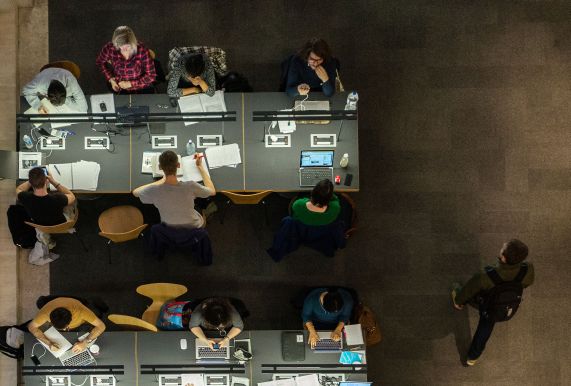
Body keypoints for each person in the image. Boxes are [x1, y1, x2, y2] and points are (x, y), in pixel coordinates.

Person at [451, 239, 535, 366]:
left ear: (504, 258)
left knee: (467, 296)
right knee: (486, 327)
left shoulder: (486, 275)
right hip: (505, 307)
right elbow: (527, 283)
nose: (501, 248)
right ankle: (472, 358)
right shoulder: (528, 269)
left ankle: (459, 302)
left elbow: (469, 290)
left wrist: (459, 301)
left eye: (503, 248)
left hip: (488, 305)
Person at [133, 150, 215, 228]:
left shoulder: (154, 190)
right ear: (178, 165)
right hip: (193, 228)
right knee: (201, 204)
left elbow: (135, 192)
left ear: (160, 167)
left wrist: (160, 181)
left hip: (169, 228)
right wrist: (200, 166)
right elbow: (212, 191)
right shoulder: (190, 186)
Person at [16, 167, 75, 248]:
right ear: (47, 181)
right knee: (72, 203)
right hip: (61, 224)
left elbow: (19, 189)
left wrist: (32, 180)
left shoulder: (24, 197)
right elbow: (72, 196)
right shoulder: (58, 198)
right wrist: (54, 182)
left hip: (41, 225)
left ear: (31, 183)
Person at [28, 297, 106, 353]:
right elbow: (31, 327)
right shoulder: (44, 313)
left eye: (65, 328)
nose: (65, 330)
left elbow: (101, 326)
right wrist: (49, 343)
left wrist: (85, 342)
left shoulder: (81, 311)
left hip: (80, 324)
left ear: (71, 319)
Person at [96, 25, 156, 94]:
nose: (125, 49)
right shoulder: (109, 48)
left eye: (128, 46)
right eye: (120, 46)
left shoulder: (141, 50)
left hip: (139, 85)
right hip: (119, 84)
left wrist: (130, 84)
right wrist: (111, 79)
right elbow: (100, 62)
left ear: (133, 42)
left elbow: (151, 75)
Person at [22, 67, 88, 113]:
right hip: (45, 74)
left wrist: (66, 100)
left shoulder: (70, 81)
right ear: (47, 93)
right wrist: (38, 106)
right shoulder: (39, 85)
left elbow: (83, 108)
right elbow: (26, 90)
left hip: (64, 73)